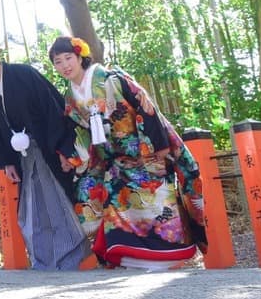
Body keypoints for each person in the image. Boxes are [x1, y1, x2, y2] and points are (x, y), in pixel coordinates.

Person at [49, 35, 206, 270]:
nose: (64, 66)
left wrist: (158, 145)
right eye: (58, 62)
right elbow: (78, 131)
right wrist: (70, 156)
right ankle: (128, 256)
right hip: (112, 158)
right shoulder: (70, 96)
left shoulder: (112, 79)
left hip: (143, 149)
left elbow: (145, 104)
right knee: (113, 201)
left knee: (157, 203)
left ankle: (172, 255)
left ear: (81, 56)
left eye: (68, 58)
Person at [0, 34, 90, 270]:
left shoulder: (24, 74)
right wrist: (5, 163)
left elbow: (54, 109)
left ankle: (70, 256)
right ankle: (42, 259)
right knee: (31, 208)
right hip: (20, 157)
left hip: (46, 147)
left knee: (57, 201)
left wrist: (64, 149)